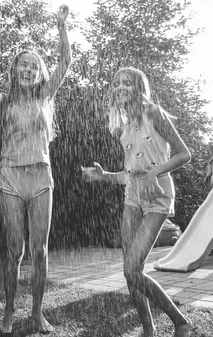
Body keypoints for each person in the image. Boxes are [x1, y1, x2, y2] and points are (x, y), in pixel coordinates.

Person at [0, 4, 71, 334]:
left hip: (41, 177)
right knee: (14, 250)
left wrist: (61, 27)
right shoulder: (2, 100)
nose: (27, 69)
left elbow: (66, 63)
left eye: (32, 65)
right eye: (22, 64)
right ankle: (9, 311)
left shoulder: (44, 95)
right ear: (15, 70)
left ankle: (37, 313)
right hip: (9, 178)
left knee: (40, 252)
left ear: (39, 72)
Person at [82, 67, 192, 337]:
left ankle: (180, 322)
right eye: (117, 84)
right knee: (130, 271)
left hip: (157, 195)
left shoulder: (153, 112)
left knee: (132, 269)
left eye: (127, 83)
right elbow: (130, 174)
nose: (121, 88)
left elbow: (184, 154)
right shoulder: (124, 125)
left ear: (138, 87)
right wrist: (104, 176)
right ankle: (148, 329)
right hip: (133, 196)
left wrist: (155, 172)